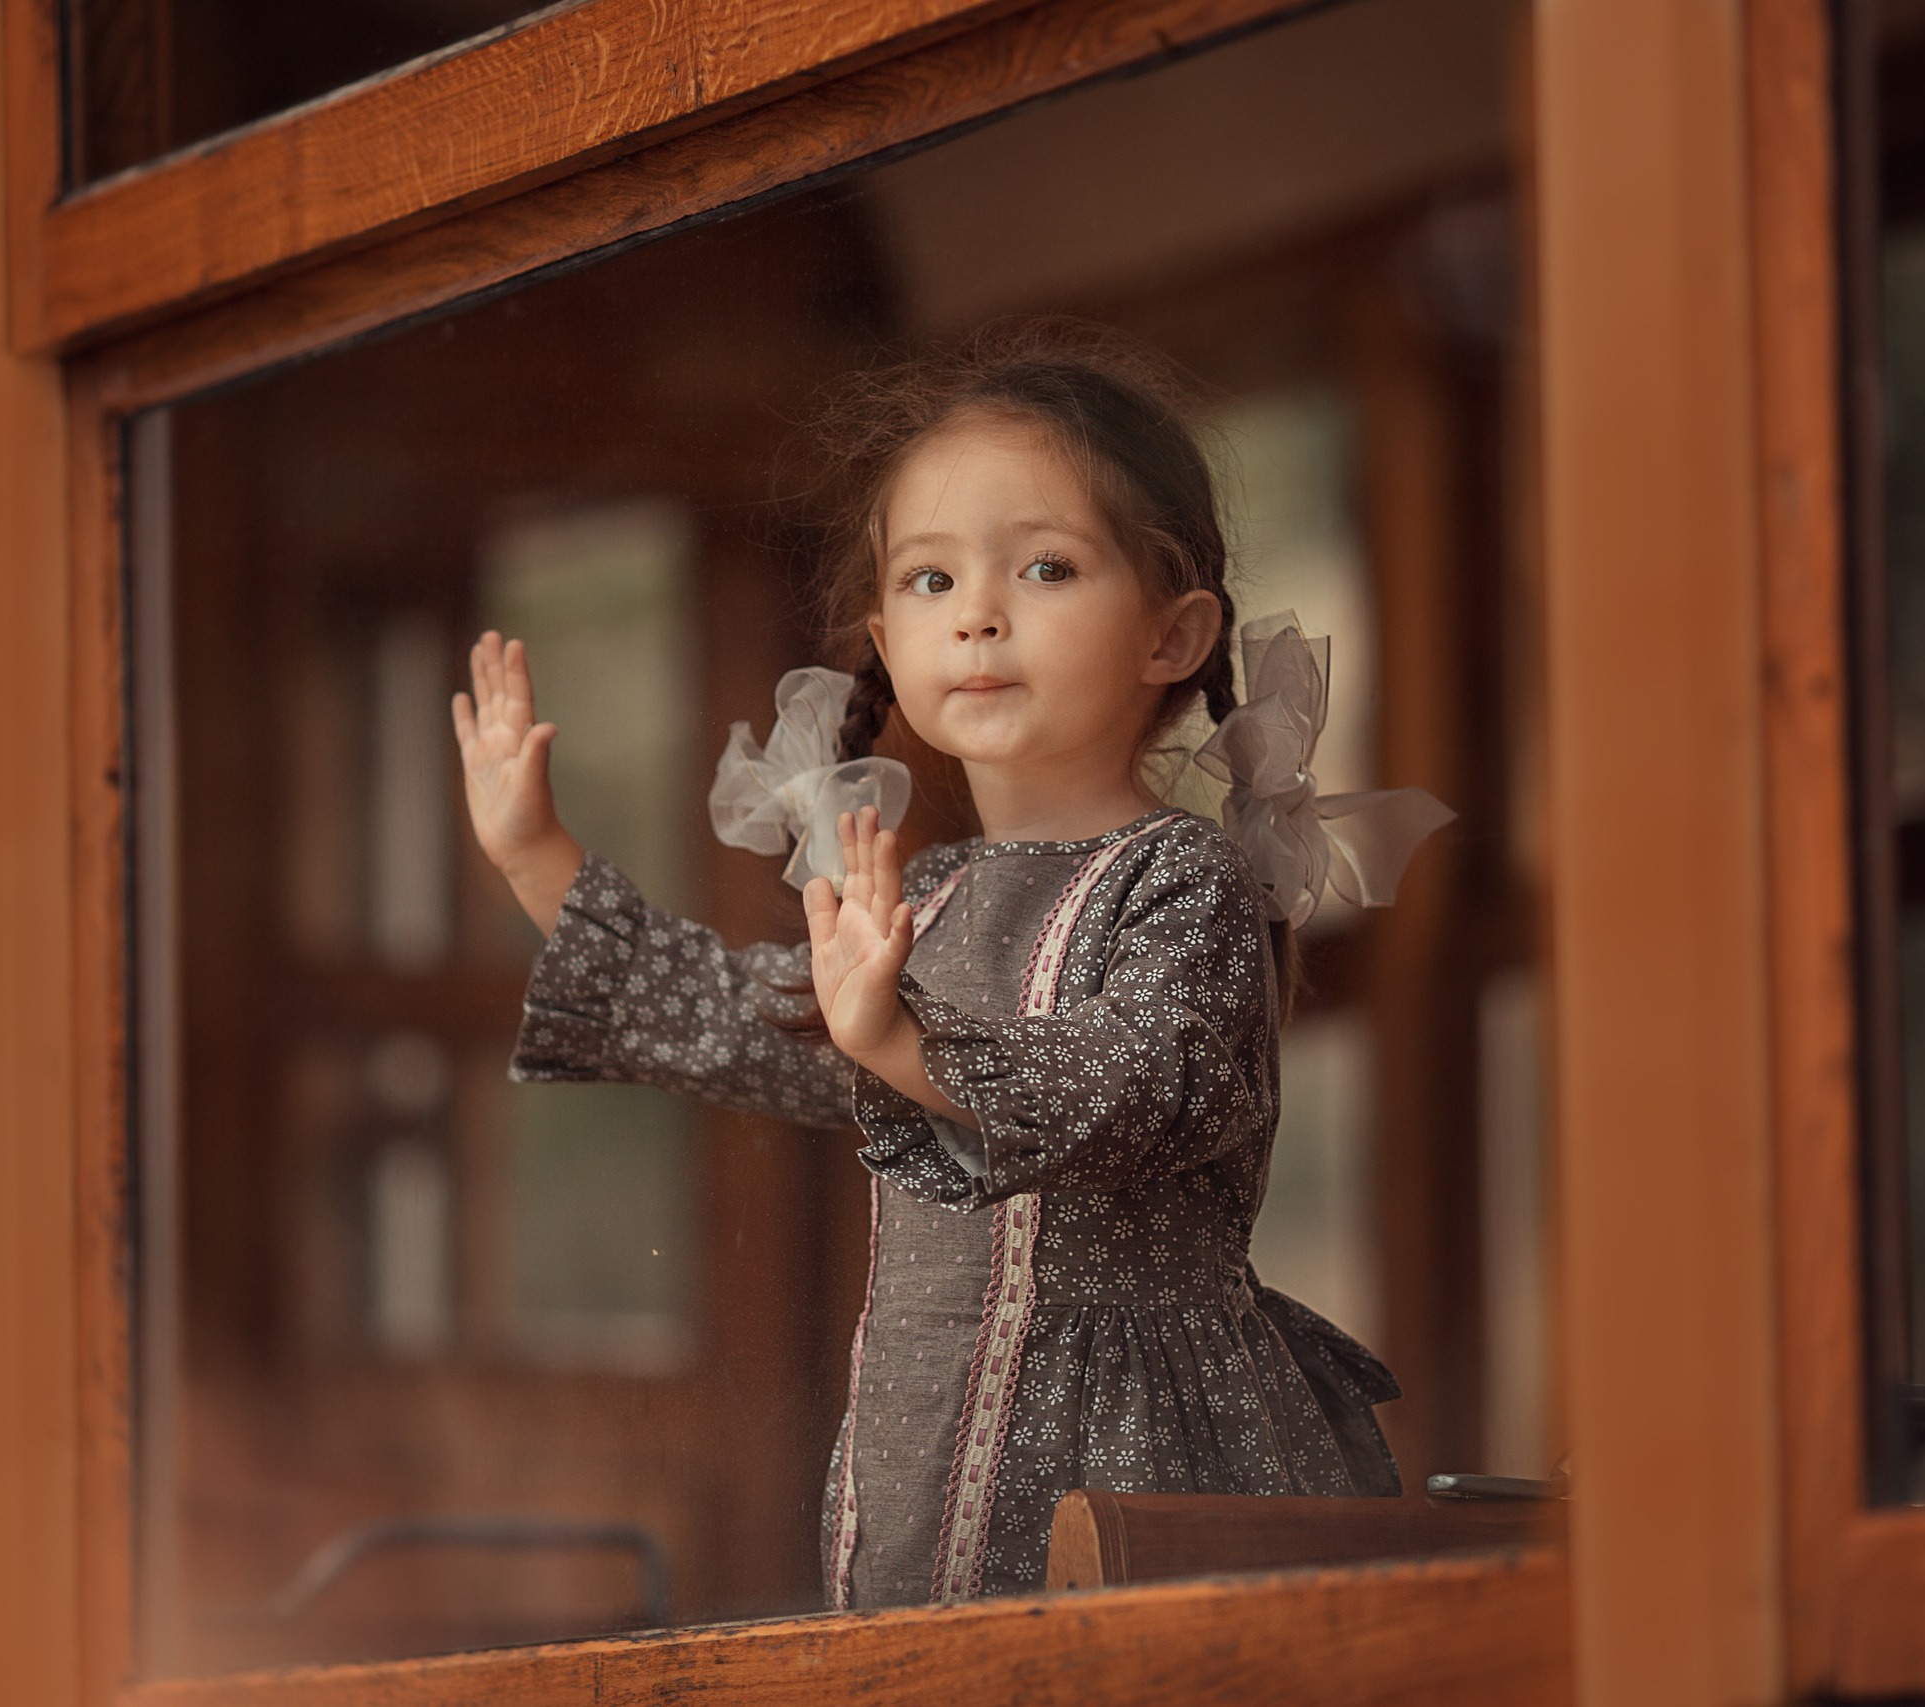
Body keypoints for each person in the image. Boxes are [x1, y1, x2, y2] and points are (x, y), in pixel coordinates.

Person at [451, 332, 1448, 1610]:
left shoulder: (1184, 881)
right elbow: (742, 1021)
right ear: (882, 639)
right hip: (922, 1423)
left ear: (1173, 632)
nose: (977, 613)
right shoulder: (925, 893)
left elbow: (1142, 1085)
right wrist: (537, 853)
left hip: (1138, 1438)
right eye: (928, 581)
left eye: (1045, 567)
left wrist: (902, 1045)